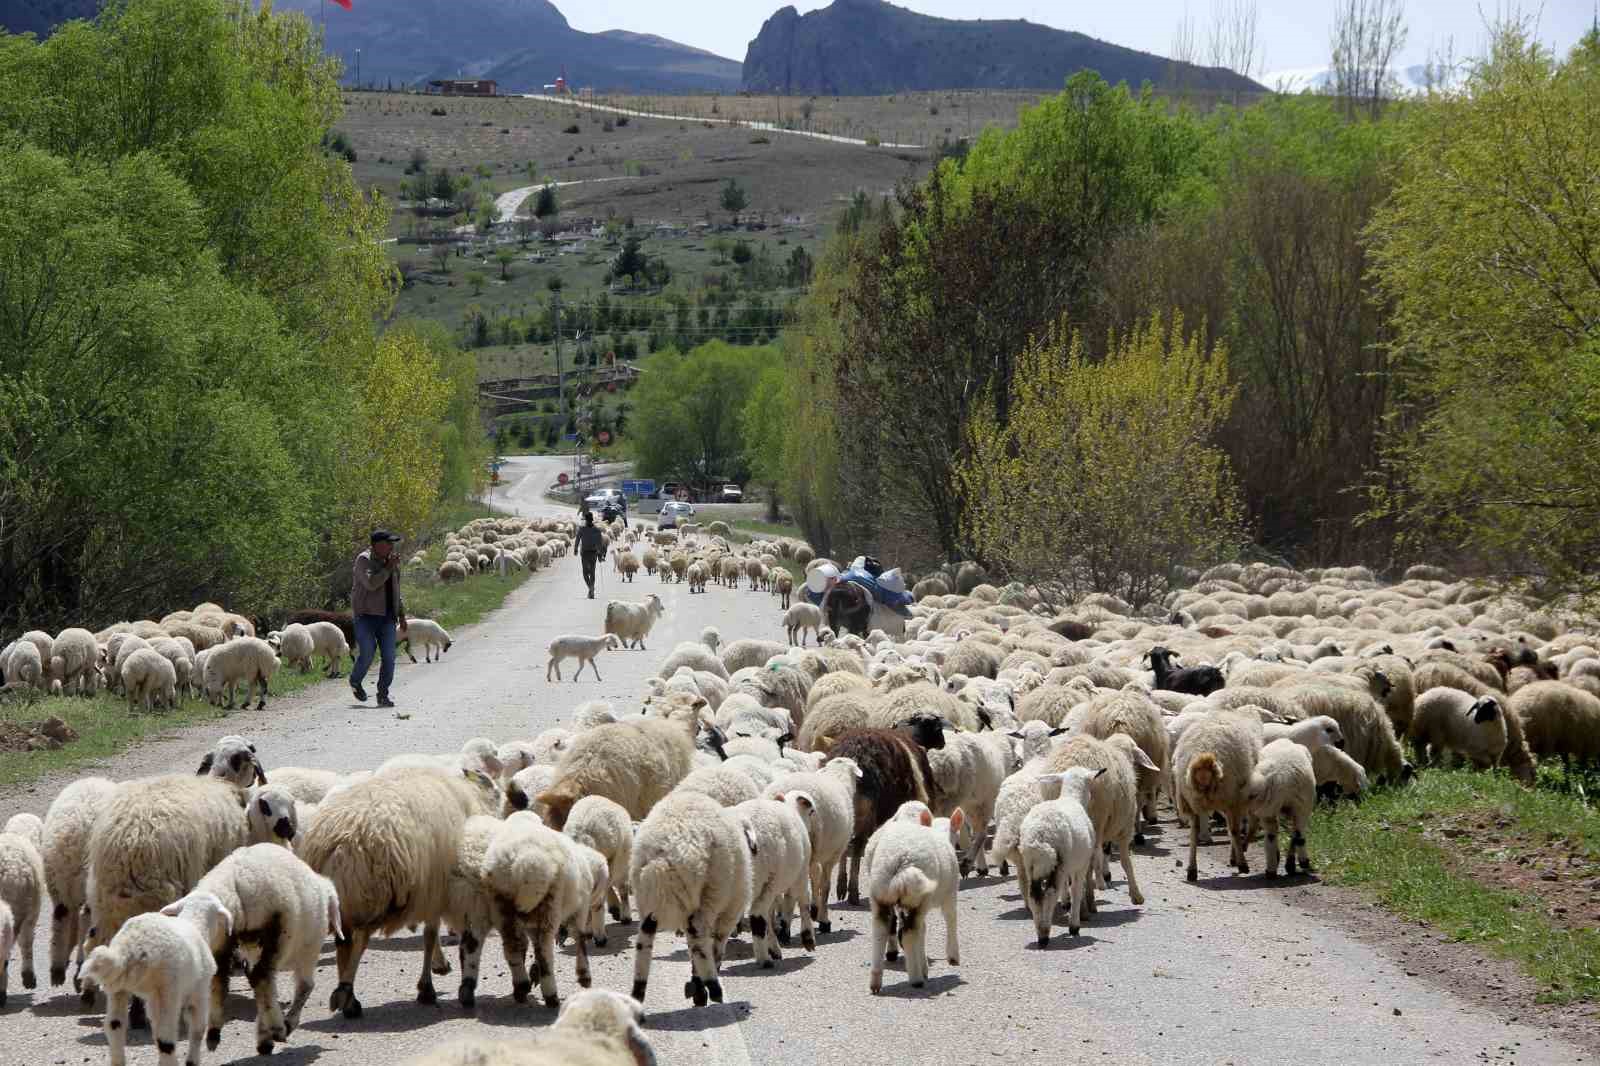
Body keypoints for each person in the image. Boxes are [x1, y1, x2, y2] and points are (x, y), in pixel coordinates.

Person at [350, 529, 407, 708]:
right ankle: (355, 680)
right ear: (376, 545)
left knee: (389, 657)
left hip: (388, 617)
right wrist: (388, 567)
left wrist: (402, 614)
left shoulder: (392, 562)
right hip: (366, 616)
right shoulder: (364, 560)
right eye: (388, 543)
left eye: (392, 543)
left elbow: (396, 590)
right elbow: (371, 584)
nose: (391, 546)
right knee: (367, 653)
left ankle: (383, 694)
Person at [576, 509, 607, 599]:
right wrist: (600, 555)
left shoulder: (582, 529)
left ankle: (590, 588)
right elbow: (600, 543)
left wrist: (575, 549)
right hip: (593, 553)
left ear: (586, 520)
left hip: (585, 553)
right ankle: (591, 588)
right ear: (592, 519)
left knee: (585, 573)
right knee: (592, 572)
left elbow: (578, 539)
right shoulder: (596, 530)